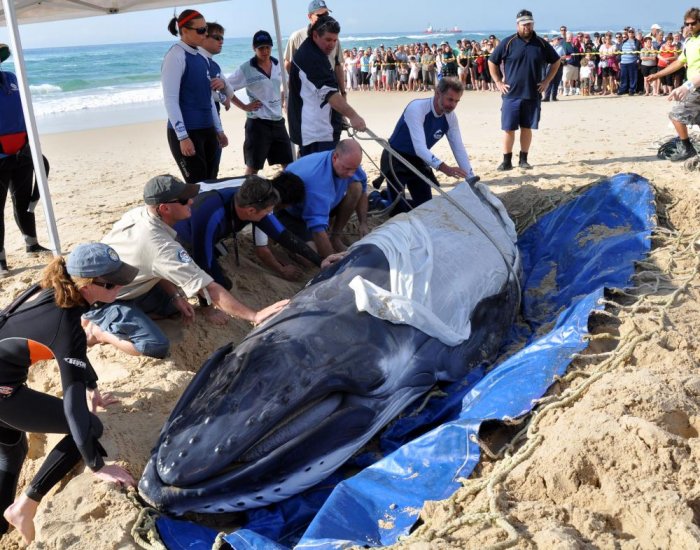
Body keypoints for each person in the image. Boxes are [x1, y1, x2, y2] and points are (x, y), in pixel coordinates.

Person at [0, 243, 138, 544]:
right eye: (112, 283)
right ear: (88, 285)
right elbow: (75, 410)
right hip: (4, 394)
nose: (120, 287)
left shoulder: (50, 289)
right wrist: (97, 465)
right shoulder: (65, 325)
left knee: (13, 452)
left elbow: (71, 356)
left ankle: (1, 527)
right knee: (90, 427)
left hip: (4, 383)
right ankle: (26, 505)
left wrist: (91, 384)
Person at [82, 175, 288, 358]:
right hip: (105, 298)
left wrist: (174, 296)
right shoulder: (161, 247)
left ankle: (138, 312)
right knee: (154, 346)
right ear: (164, 208)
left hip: (126, 282)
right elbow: (209, 288)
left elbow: (151, 265)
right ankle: (99, 332)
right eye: (184, 200)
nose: (191, 201)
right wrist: (255, 315)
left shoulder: (140, 214)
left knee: (178, 309)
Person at [173, 173, 322, 286]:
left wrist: (320, 261)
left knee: (220, 258)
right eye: (269, 212)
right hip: (183, 233)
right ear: (251, 211)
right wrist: (214, 297)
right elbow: (204, 260)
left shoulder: (256, 194)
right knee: (221, 281)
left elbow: (282, 235)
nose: (270, 215)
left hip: (208, 218)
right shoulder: (210, 214)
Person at [377, 78, 477, 216]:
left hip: (418, 161)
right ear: (437, 93)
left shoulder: (450, 118)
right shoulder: (417, 108)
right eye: (450, 99)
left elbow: (458, 148)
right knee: (397, 212)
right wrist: (444, 168)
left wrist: (471, 178)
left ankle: (387, 195)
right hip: (396, 158)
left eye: (456, 101)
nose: (452, 105)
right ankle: (378, 200)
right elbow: (420, 148)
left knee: (426, 209)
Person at [488, 9, 561, 171]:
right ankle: (506, 161)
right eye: (523, 24)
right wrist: (498, 81)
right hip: (510, 94)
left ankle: (523, 159)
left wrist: (547, 81)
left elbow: (556, 62)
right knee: (508, 128)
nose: (527, 27)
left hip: (532, 93)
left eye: (529, 23)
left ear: (533, 24)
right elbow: (492, 61)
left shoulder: (541, 44)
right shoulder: (508, 42)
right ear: (517, 25)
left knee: (527, 127)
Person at [0, 44, 50, 278]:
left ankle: (31, 243)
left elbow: (24, 112)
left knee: (23, 201)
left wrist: (29, 143)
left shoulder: (10, 78)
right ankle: (0, 259)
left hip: (21, 151)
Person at [162, 9, 227, 183]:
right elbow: (170, 100)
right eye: (200, 30)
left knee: (211, 182)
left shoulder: (202, 58)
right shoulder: (175, 56)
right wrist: (182, 137)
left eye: (205, 29)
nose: (205, 34)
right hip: (187, 132)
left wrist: (219, 130)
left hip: (207, 130)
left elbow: (208, 98)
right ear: (184, 31)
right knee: (197, 186)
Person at [287, 15, 366, 156]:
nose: (332, 44)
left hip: (319, 128)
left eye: (335, 40)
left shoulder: (314, 50)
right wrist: (353, 116)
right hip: (316, 133)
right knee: (320, 173)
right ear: (315, 35)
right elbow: (330, 94)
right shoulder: (311, 57)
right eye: (328, 40)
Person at [278, 139, 368, 258]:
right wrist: (332, 260)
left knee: (356, 186)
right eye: (347, 169)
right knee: (310, 256)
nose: (351, 173)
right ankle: (289, 242)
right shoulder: (316, 182)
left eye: (355, 169)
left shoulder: (349, 163)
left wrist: (363, 223)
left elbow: (363, 189)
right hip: (292, 213)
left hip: (324, 203)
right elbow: (317, 227)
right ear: (335, 157)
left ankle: (335, 236)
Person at [223, 30, 293, 175]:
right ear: (254, 49)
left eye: (267, 47)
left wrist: (283, 99)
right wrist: (244, 106)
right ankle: (247, 196)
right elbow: (226, 87)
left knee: (288, 164)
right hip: (257, 124)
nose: (265, 51)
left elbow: (285, 84)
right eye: (261, 48)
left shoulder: (277, 64)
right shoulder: (246, 68)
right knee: (253, 167)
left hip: (278, 121)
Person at [646, 8, 700, 161]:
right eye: (686, 24)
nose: (689, 27)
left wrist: (686, 87)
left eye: (693, 24)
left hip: (695, 88)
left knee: (676, 115)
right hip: (693, 86)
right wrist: (657, 74)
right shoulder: (690, 41)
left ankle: (687, 148)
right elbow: (679, 62)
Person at [283, 0, 345, 97]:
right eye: (319, 15)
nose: (324, 18)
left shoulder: (334, 38)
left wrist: (343, 92)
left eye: (326, 14)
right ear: (309, 17)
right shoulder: (297, 37)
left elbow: (337, 65)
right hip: (306, 94)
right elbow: (288, 63)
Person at [199, 22, 228, 178]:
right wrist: (223, 97)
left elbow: (227, 90)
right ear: (203, 37)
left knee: (212, 173)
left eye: (222, 38)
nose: (221, 41)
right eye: (217, 37)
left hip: (213, 121)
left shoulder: (213, 64)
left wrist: (223, 91)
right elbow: (207, 96)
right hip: (200, 125)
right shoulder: (198, 62)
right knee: (203, 177)